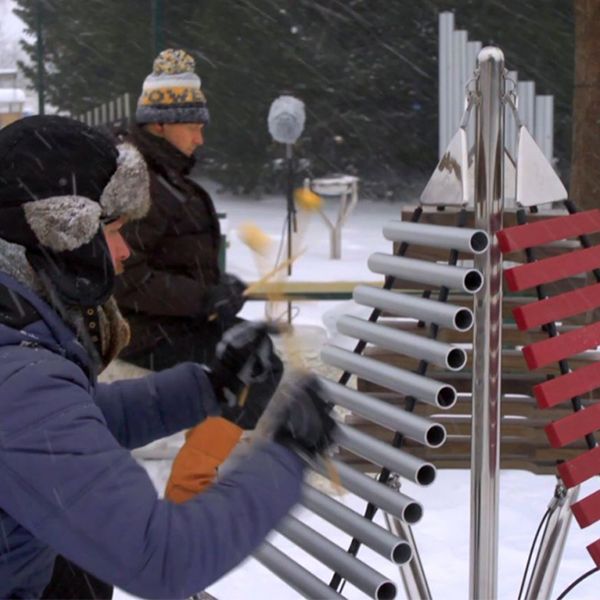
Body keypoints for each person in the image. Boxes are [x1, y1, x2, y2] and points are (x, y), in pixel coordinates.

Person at [0, 115, 335, 599]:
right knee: (90, 567)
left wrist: (207, 387)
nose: (123, 251)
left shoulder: (17, 338)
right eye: (111, 230)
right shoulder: (19, 376)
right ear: (60, 235)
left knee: (84, 571)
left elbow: (72, 423)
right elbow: (165, 560)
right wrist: (290, 455)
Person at [114, 49, 285, 495]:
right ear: (161, 123)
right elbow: (125, 278)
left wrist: (217, 291)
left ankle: (194, 481)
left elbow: (173, 261)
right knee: (254, 365)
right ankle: (189, 492)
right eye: (194, 125)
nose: (200, 138)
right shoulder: (145, 183)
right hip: (140, 332)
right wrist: (203, 299)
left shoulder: (164, 177)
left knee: (254, 353)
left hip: (167, 323)